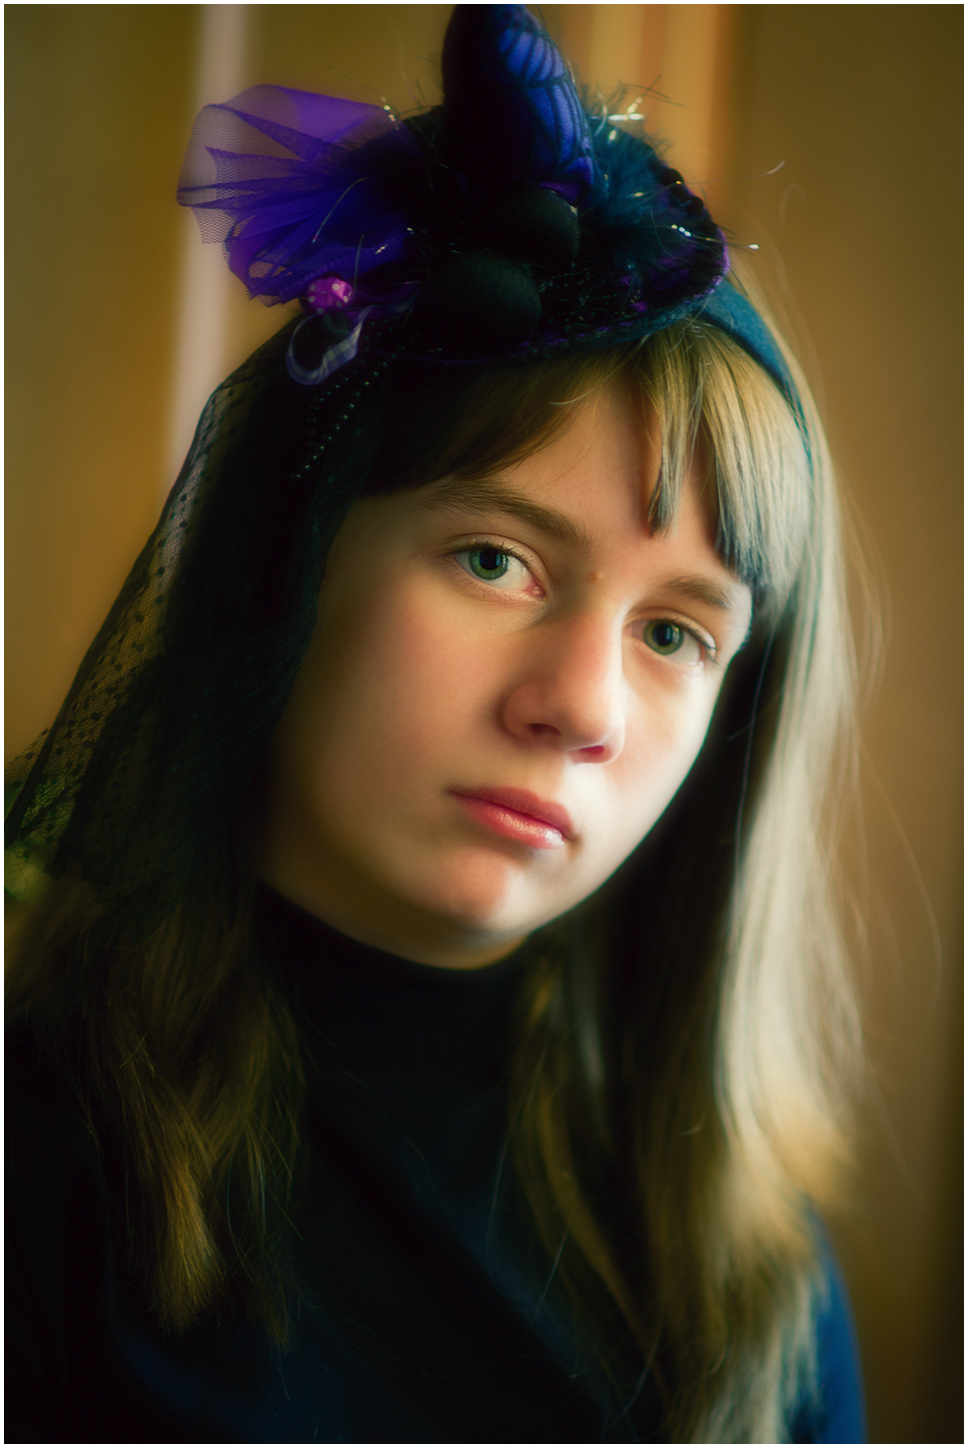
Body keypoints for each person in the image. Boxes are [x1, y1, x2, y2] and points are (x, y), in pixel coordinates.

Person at [5, 6, 865, 1442]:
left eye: (674, 633)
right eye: (495, 560)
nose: (579, 707)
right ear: (293, 564)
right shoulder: (36, 1155)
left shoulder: (745, 1270)